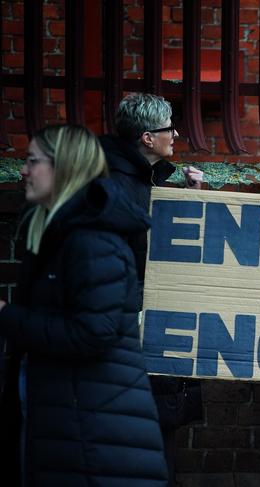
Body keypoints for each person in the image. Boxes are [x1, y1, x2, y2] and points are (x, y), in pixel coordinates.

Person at [0, 125, 167, 485]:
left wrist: (7, 317)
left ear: (65, 166)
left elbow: (93, 334)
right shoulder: (62, 232)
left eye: (33, 161)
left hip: (94, 434)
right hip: (81, 425)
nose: (23, 171)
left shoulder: (92, 241)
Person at [100, 92, 204, 484]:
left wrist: (191, 202)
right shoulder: (118, 187)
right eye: (168, 128)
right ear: (147, 138)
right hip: (134, 323)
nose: (175, 134)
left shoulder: (144, 179)